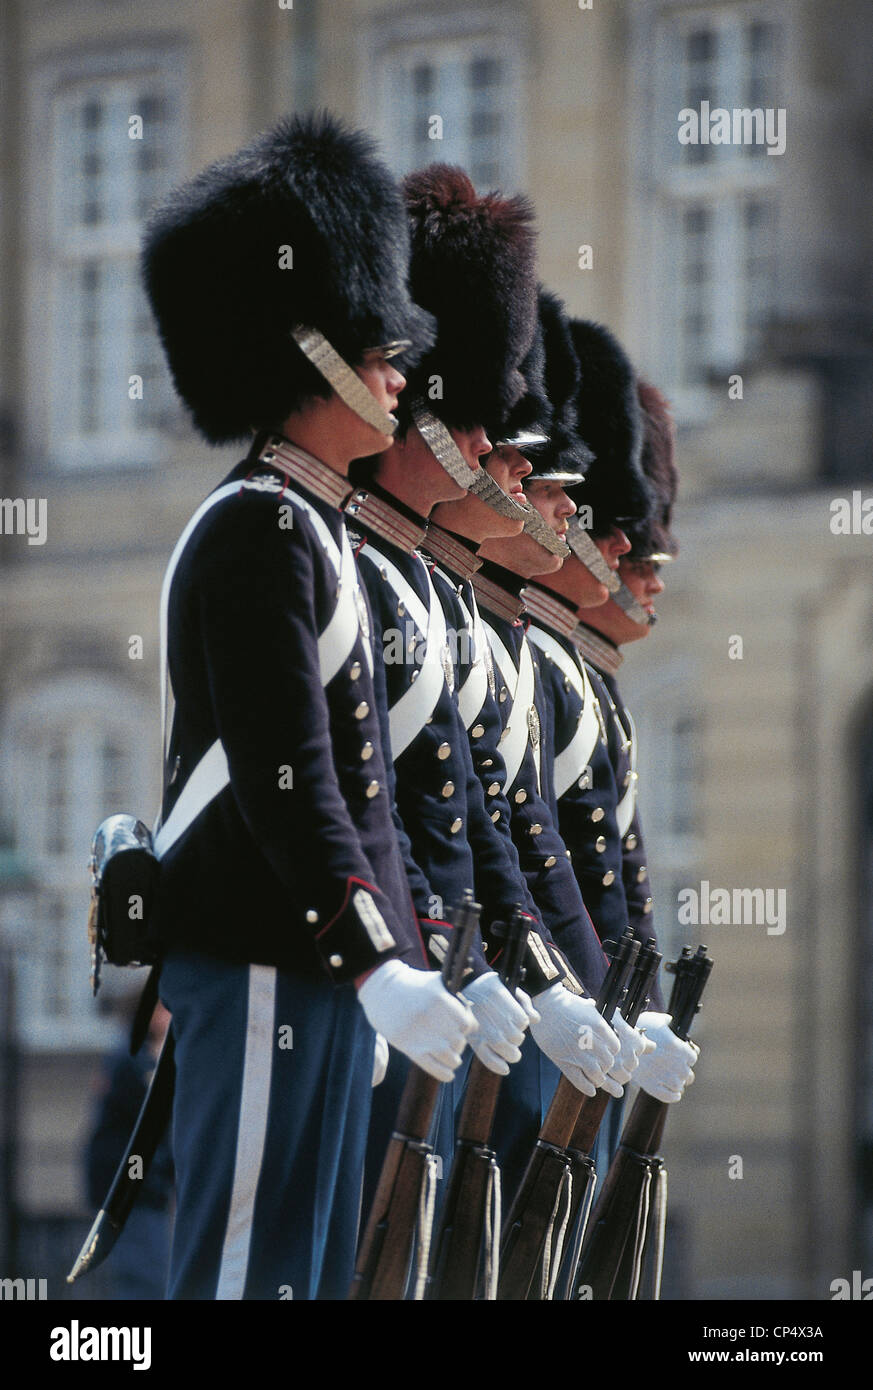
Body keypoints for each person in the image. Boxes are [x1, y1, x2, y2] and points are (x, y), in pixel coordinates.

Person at [141, 113, 475, 1301]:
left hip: (318, 963)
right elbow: (291, 776)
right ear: (310, 355)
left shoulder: (312, 528)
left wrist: (387, 959)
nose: (397, 374)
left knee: (311, 1276)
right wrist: (373, 955)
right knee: (251, 1276)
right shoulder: (259, 529)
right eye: (376, 350)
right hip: (267, 952)